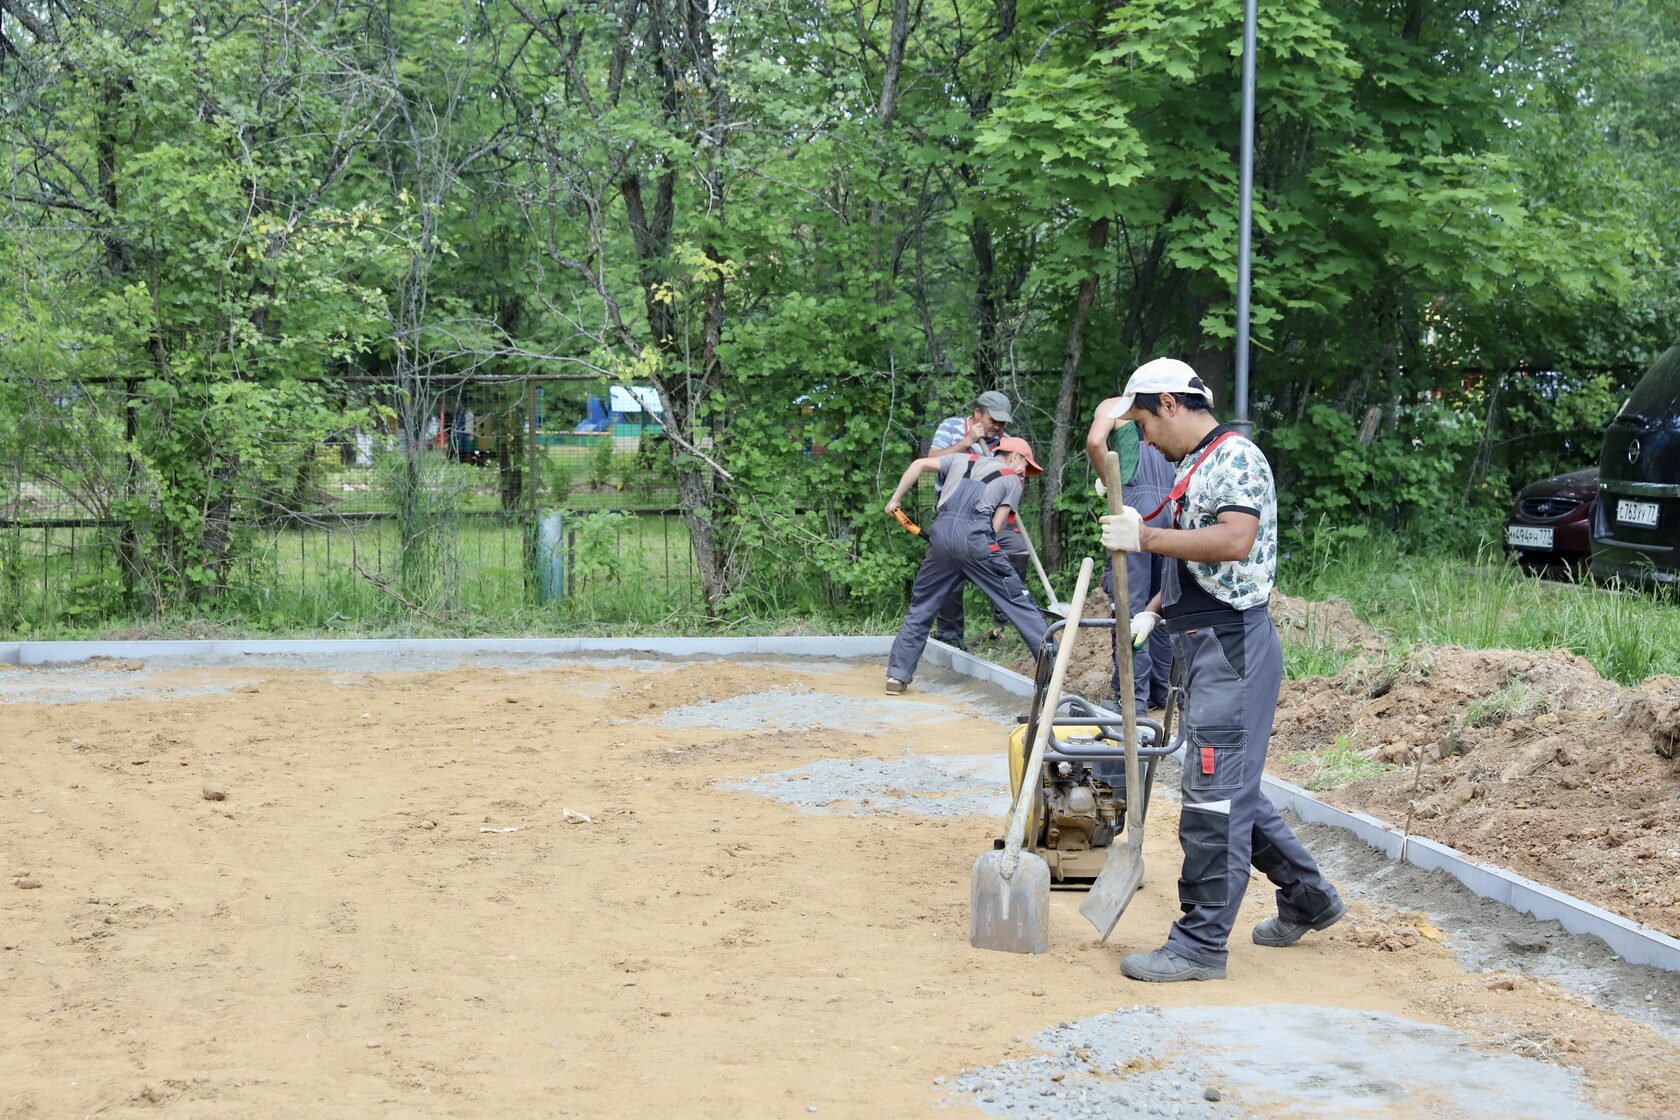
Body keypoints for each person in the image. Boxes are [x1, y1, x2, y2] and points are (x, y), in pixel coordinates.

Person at [1097, 357, 1343, 982]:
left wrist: (1144, 541)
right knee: (1232, 787)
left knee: (1212, 799)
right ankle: (1308, 898)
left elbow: (1233, 540)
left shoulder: (1236, 458)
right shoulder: (1196, 466)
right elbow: (1197, 562)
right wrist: (1154, 609)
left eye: (1145, 422)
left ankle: (1200, 945)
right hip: (1201, 641)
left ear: (1170, 405)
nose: (1144, 436)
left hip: (1231, 649)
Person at [884, 436, 1047, 694]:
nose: (1024, 474)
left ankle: (897, 676)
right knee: (1017, 601)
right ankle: (1054, 668)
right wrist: (978, 564)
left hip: (941, 536)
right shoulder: (1011, 480)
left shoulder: (960, 458)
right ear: (1015, 456)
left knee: (922, 606)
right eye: (1026, 467)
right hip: (977, 540)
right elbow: (995, 528)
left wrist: (895, 500)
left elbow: (917, 464)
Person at [1085, 404, 1175, 719]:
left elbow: (1096, 442)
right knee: (1160, 604)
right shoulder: (1164, 410)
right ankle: (1162, 691)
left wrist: (1111, 485)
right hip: (1169, 506)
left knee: (1130, 606)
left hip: (1134, 506)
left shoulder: (1113, 406)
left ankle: (1133, 700)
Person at [928, 391, 1032, 648]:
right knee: (949, 571)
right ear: (977, 413)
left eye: (1003, 422)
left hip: (990, 514)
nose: (998, 427)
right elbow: (931, 461)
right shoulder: (951, 427)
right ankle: (950, 638)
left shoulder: (1005, 442)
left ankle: (1003, 622)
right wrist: (967, 441)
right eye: (993, 420)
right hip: (954, 512)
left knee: (1016, 551)